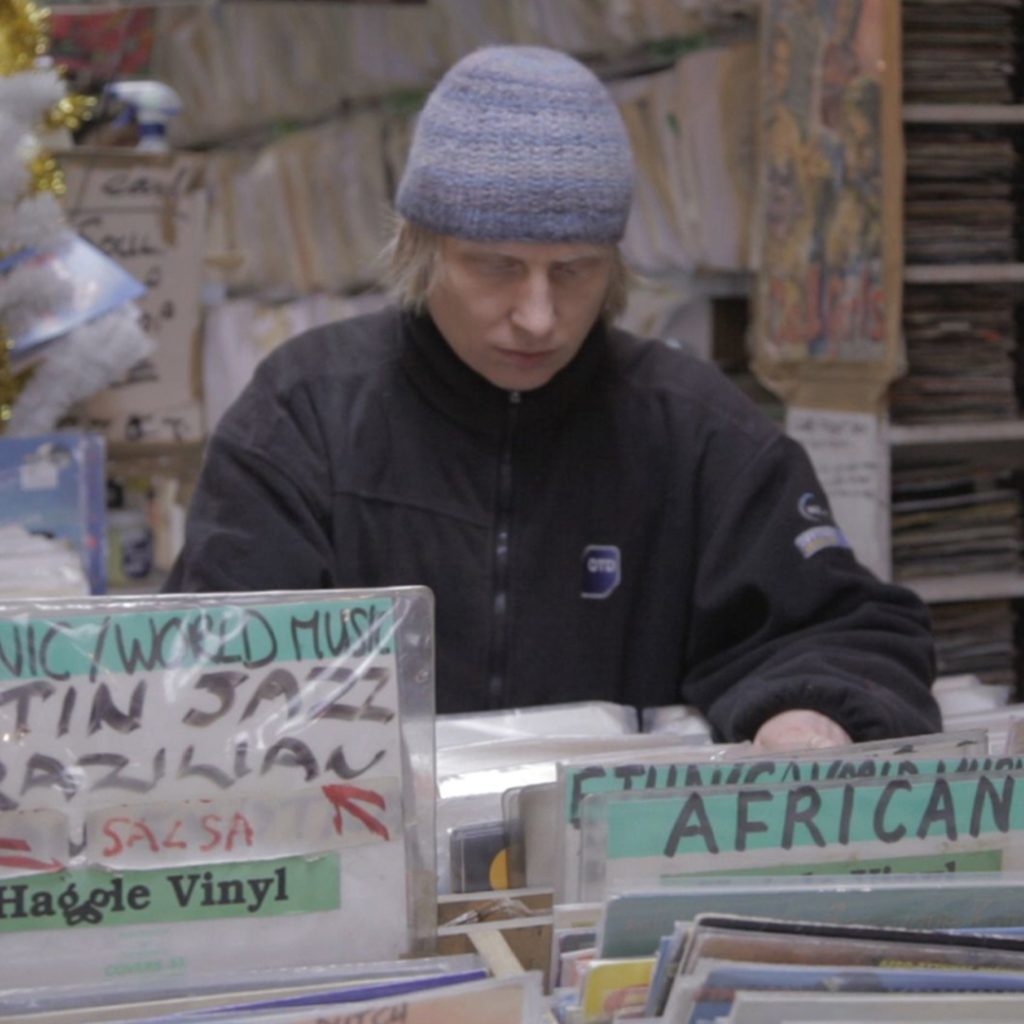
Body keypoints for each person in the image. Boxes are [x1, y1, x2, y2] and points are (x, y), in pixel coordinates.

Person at [166, 45, 939, 751]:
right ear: (419, 248)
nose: (538, 317)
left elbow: (840, 626)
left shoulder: (698, 431)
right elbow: (211, 655)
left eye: (573, 271)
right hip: (366, 862)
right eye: (495, 267)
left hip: (620, 877)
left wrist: (808, 713)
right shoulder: (305, 412)